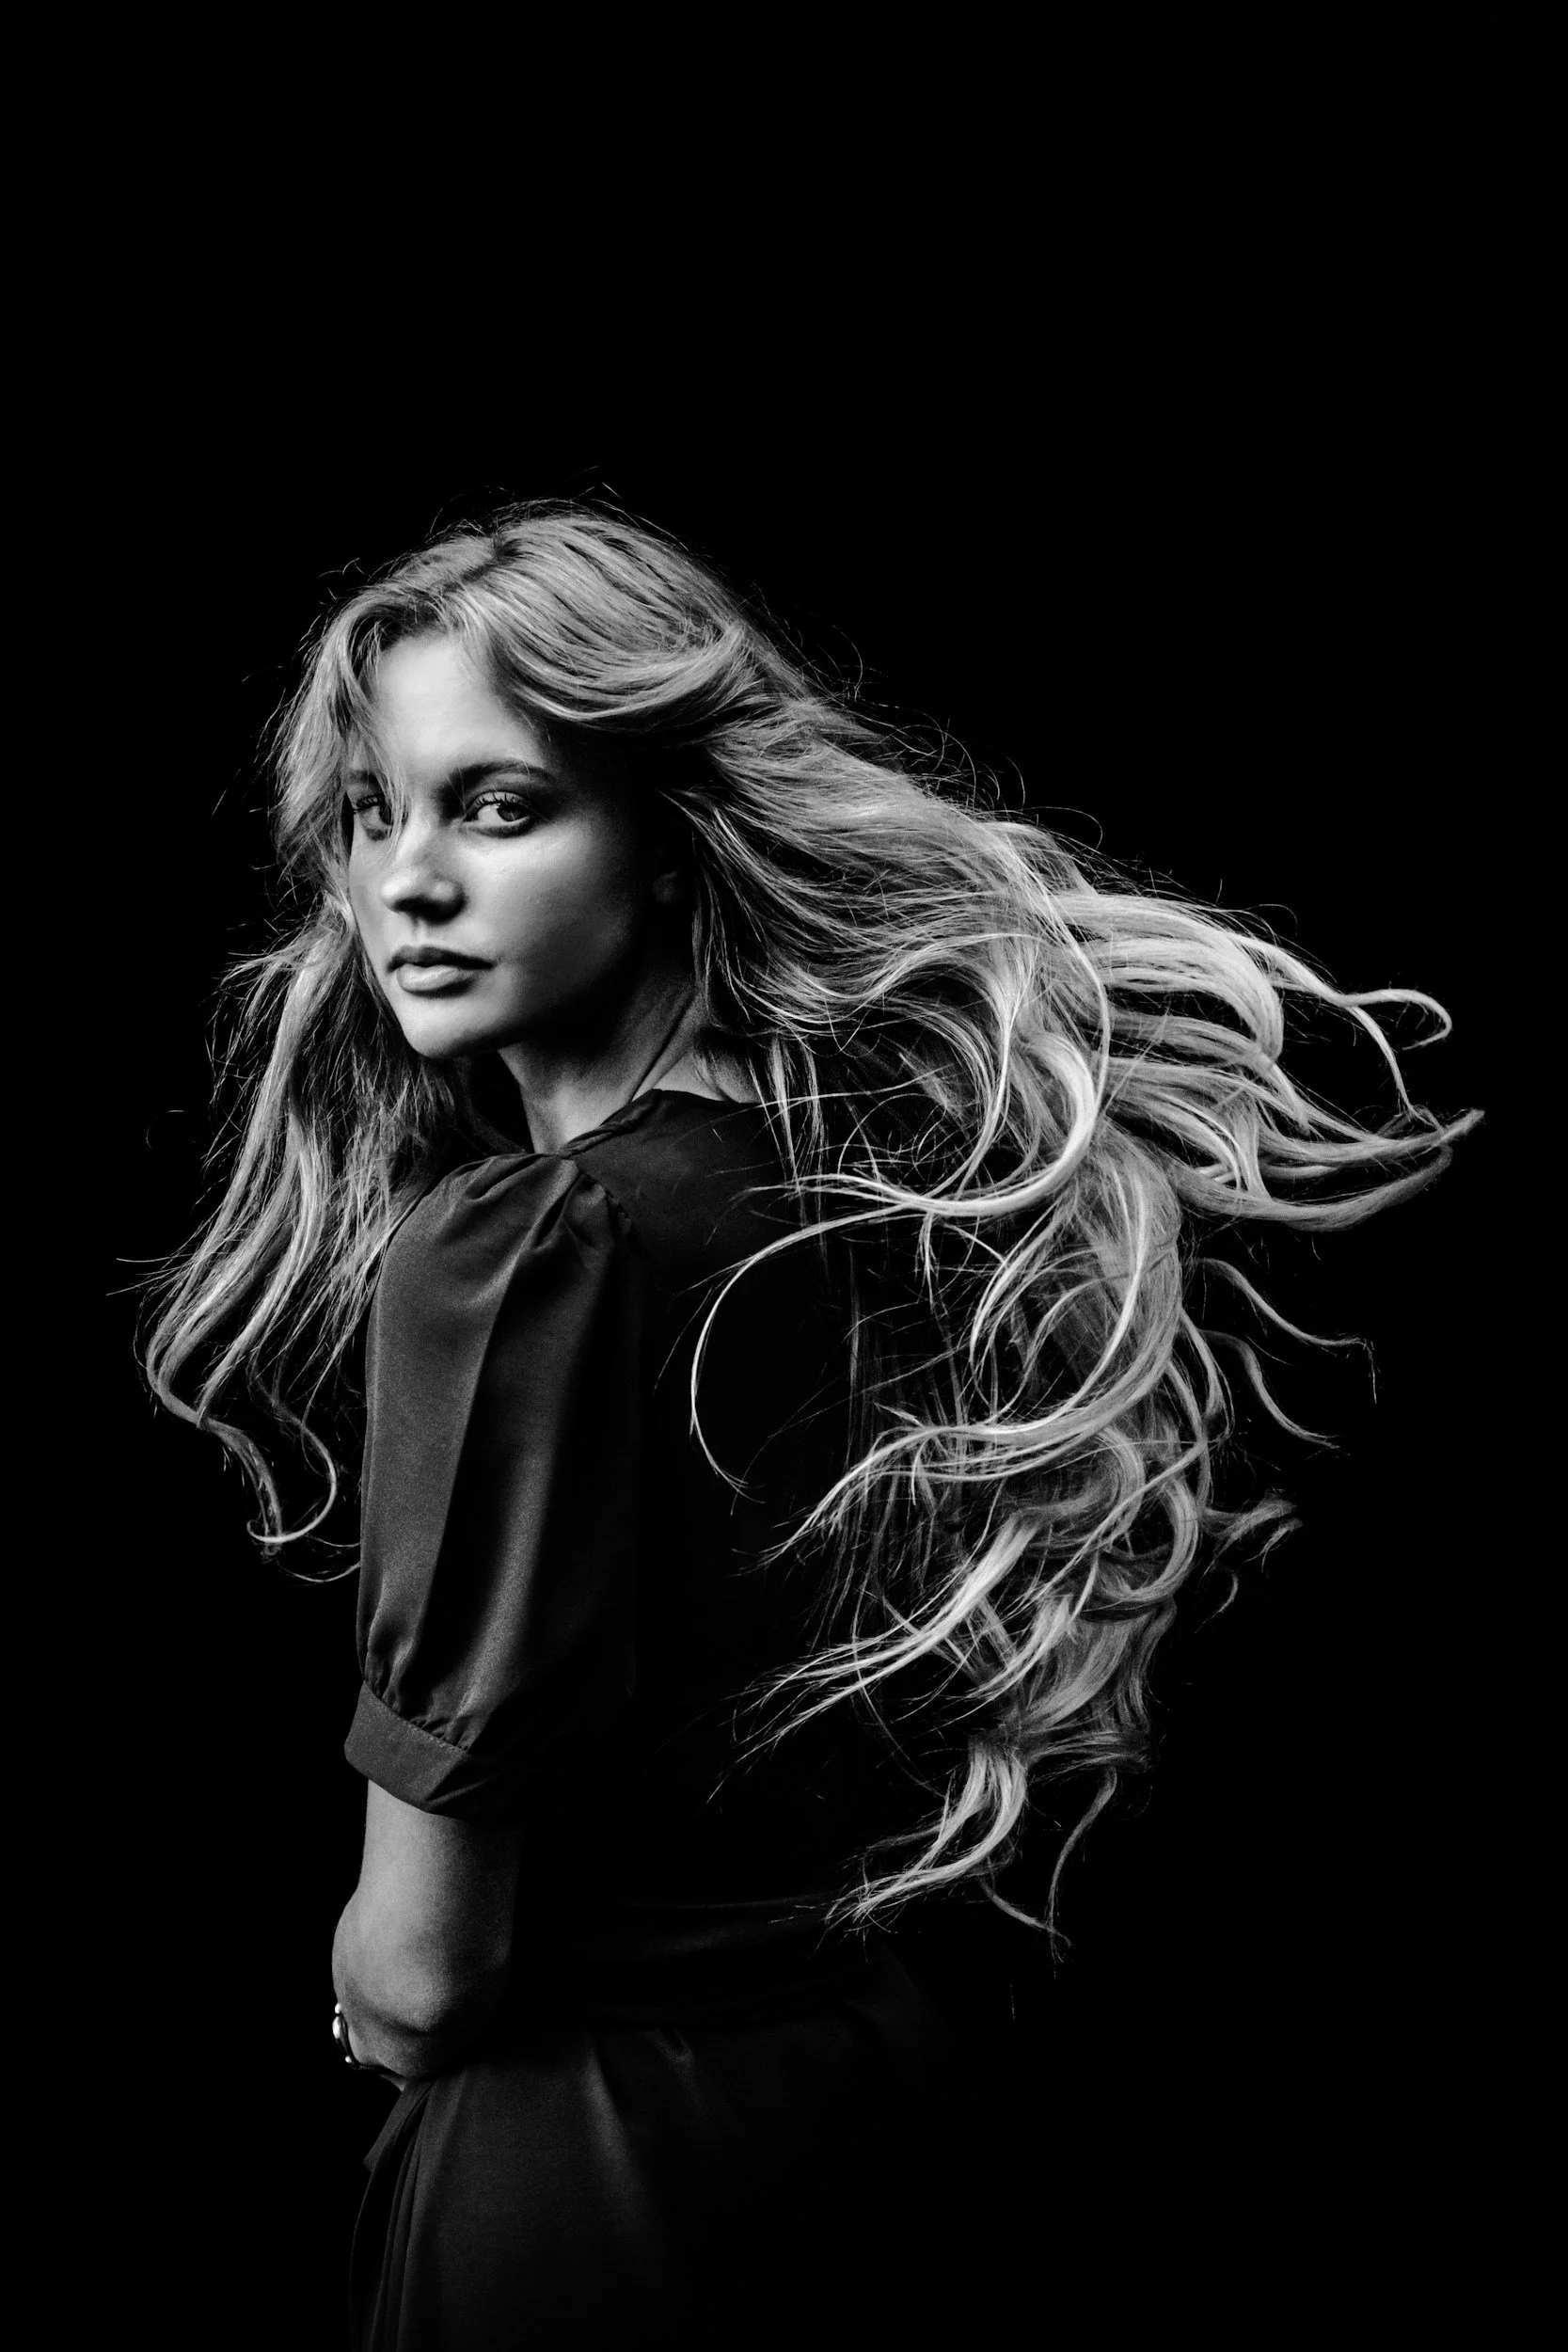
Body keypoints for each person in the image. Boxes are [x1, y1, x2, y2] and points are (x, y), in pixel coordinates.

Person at [144, 503, 1476, 2348]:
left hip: (583, 2189)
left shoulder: (524, 1249)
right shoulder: (900, 1207)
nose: (409, 881)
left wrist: (364, 2007)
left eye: (499, 805)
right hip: (871, 2112)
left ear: (671, 842)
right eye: (373, 814)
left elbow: (427, 1964)